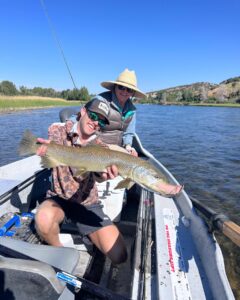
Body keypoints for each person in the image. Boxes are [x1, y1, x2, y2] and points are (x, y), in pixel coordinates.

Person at [35, 98, 128, 264]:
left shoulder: (100, 147)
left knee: (120, 254)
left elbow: (100, 175)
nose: (95, 123)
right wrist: (46, 147)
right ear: (83, 111)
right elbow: (51, 141)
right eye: (93, 116)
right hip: (58, 199)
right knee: (43, 218)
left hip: (87, 203)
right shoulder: (58, 130)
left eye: (101, 121)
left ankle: (90, 236)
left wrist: (104, 176)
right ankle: (61, 255)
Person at [95, 68, 146, 156]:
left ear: (132, 93)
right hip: (97, 147)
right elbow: (87, 124)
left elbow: (128, 133)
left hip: (118, 150)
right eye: (121, 87)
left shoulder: (132, 110)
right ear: (115, 87)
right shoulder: (101, 100)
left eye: (129, 89)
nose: (125, 92)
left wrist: (128, 147)